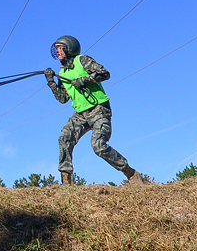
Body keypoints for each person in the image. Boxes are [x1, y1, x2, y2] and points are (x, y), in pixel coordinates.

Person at [44, 35, 146, 185]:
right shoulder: (63, 73)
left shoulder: (82, 60)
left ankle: (131, 174)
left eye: (61, 48)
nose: (58, 51)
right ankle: (66, 182)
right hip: (80, 114)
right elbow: (63, 98)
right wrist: (51, 82)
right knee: (65, 138)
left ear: (70, 48)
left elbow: (105, 73)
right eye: (56, 48)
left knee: (98, 146)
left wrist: (83, 80)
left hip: (99, 109)